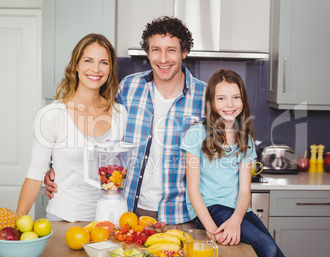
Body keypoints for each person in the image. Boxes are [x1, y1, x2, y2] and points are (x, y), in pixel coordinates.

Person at [44, 16, 207, 224]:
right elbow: (97, 132)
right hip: (127, 212)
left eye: (171, 50)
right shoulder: (128, 87)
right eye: (156, 49)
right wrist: (55, 165)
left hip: (181, 216)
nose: (163, 58)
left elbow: (222, 153)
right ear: (148, 53)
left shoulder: (206, 96)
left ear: (184, 52)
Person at [180, 69, 290, 257]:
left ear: (243, 100)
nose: (229, 104)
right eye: (221, 98)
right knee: (267, 248)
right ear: (211, 103)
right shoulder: (197, 134)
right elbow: (193, 190)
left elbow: (244, 190)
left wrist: (236, 219)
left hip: (238, 209)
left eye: (235, 97)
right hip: (211, 208)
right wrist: (213, 231)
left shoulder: (245, 137)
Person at [16, 33, 127, 222]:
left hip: (110, 223)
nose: (96, 69)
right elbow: (35, 175)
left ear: (110, 69)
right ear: (76, 65)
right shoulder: (53, 114)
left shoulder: (120, 113)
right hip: (62, 220)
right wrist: (13, 224)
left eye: (104, 62)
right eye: (88, 60)